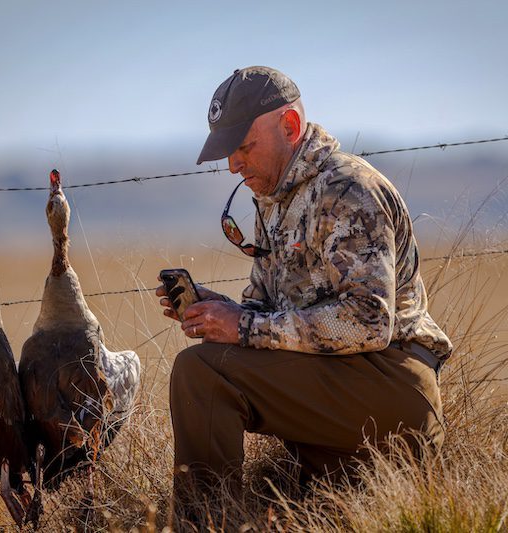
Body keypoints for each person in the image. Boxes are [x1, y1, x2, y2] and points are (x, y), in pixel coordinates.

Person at [156, 66, 452, 521]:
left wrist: (244, 326)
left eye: (243, 147)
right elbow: (268, 313)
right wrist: (221, 312)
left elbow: (370, 322)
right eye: (227, 152)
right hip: (342, 381)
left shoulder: (346, 189)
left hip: (392, 381)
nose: (233, 164)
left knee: (201, 372)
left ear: (289, 127)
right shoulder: (275, 197)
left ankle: (205, 526)